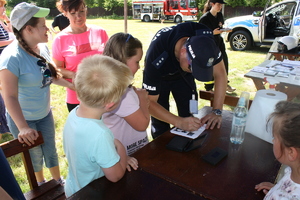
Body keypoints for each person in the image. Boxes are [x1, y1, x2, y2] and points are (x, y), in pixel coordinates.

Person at [0, 2, 73, 186]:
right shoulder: (11, 58)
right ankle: (40, 186)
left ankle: (57, 181)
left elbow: (50, 77)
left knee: (50, 150)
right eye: (42, 25)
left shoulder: (42, 48)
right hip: (23, 118)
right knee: (34, 155)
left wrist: (76, 87)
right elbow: (9, 96)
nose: (47, 28)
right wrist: (23, 127)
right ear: (29, 29)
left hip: (44, 113)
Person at [142, 22, 227, 139]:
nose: (194, 73)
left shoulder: (205, 38)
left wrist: (217, 110)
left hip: (182, 74)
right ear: (183, 52)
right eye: (194, 68)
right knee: (160, 125)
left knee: (190, 114)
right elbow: (148, 103)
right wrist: (178, 122)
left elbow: (220, 74)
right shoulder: (156, 56)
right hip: (161, 76)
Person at [63, 55, 132, 197]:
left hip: (74, 188)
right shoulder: (100, 134)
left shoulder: (74, 115)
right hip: (91, 194)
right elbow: (116, 176)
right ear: (110, 104)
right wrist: (121, 149)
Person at [52, 0, 109, 112]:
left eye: (82, 11)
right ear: (65, 13)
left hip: (103, 94)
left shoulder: (100, 32)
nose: (79, 17)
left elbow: (110, 60)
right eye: (73, 13)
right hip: (77, 98)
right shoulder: (60, 39)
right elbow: (57, 68)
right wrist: (74, 75)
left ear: (86, 9)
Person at [102, 33, 150, 165]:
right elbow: (142, 125)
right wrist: (142, 98)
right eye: (137, 62)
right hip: (127, 156)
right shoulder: (124, 94)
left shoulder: (111, 87)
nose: (139, 67)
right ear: (123, 61)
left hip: (123, 154)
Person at [255, 101, 300, 199]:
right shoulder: (295, 172)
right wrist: (279, 189)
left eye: (274, 138)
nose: (272, 140)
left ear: (291, 153)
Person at [199, 0, 235, 93]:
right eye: (218, 4)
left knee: (224, 62)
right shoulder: (205, 18)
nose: (220, 7)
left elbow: (219, 27)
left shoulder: (219, 15)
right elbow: (199, 34)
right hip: (209, 44)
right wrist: (212, 32)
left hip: (218, 42)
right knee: (210, 65)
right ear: (212, 4)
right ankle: (209, 88)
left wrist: (224, 30)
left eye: (221, 5)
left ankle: (224, 84)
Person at [0, 0, 13, 141]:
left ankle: (6, 125)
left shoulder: (0, 22)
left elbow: (11, 32)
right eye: (2, 6)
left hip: (5, 63)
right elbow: (9, 39)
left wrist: (7, 20)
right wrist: (11, 42)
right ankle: (5, 126)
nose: (4, 8)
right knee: (5, 95)